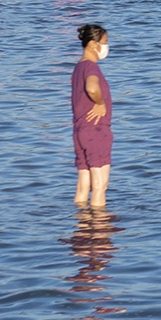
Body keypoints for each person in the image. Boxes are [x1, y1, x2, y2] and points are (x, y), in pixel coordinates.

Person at [72, 23, 112, 208]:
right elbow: (92, 87)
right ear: (93, 45)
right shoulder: (91, 68)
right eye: (104, 42)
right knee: (100, 185)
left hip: (80, 131)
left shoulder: (78, 67)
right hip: (96, 130)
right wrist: (100, 102)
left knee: (83, 187)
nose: (106, 46)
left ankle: (81, 228)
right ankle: (98, 230)